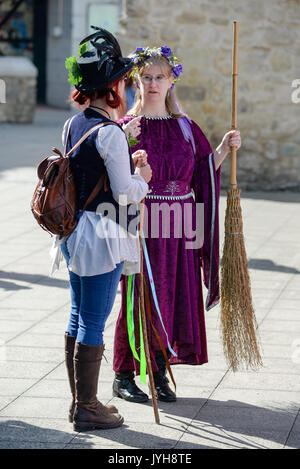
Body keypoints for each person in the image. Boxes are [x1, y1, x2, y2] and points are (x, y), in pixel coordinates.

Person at [112, 46, 241, 403]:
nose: (153, 84)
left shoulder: (186, 127)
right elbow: (113, 180)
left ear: (171, 82)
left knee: (172, 295)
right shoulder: (126, 128)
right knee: (138, 298)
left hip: (182, 224)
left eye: (159, 77)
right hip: (145, 223)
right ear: (136, 82)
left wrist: (223, 149)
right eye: (146, 77)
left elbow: (202, 172)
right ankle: (123, 374)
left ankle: (157, 368)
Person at [51, 27, 152, 431]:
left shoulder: (75, 124)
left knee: (78, 315)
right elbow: (126, 192)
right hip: (101, 234)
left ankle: (81, 401)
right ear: (112, 86)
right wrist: (142, 174)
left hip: (75, 232)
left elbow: (89, 160)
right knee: (93, 319)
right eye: (123, 81)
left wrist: (121, 141)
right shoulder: (108, 132)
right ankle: (88, 406)